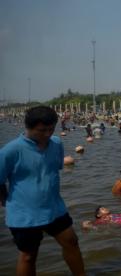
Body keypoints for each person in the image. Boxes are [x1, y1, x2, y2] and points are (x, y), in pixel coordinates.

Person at [0, 106, 85, 275]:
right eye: (41, 130)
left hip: (54, 208)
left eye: (51, 129)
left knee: (71, 241)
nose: (47, 134)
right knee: (28, 256)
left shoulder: (56, 143)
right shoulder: (10, 151)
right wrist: (5, 200)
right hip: (24, 214)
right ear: (28, 127)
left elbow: (52, 171)